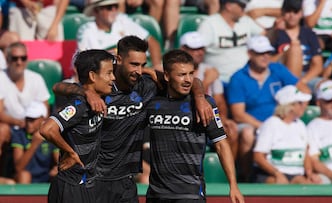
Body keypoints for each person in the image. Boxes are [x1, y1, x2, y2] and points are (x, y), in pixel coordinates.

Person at [52, 35, 213, 202]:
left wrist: (200, 97)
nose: (139, 70)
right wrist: (86, 92)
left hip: (126, 181)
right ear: (119, 59)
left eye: (143, 65)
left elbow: (184, 78)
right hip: (94, 179)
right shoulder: (102, 85)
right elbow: (58, 87)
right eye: (134, 64)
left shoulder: (146, 86)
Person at [145, 49, 244, 203]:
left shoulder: (204, 104)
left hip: (190, 194)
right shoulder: (152, 100)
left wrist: (233, 185)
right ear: (166, 76)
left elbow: (221, 144)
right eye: (181, 75)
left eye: (191, 73)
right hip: (157, 194)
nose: (188, 80)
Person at [227, 35, 309, 181]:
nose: (265, 56)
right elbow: (238, 114)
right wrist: (265, 127)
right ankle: (247, 177)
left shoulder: (277, 69)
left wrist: (295, 112)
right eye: (260, 53)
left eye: (268, 53)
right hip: (253, 123)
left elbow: (303, 90)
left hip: (280, 119)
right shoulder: (238, 78)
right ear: (250, 53)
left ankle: (300, 173)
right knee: (247, 133)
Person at [40, 49, 116, 202]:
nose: (113, 78)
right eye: (108, 73)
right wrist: (70, 153)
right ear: (93, 76)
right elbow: (47, 129)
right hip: (70, 187)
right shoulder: (79, 105)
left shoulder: (103, 95)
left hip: (85, 183)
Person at [180, 31, 240, 160]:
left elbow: (219, 100)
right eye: (194, 49)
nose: (199, 52)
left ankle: (229, 175)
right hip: (183, 121)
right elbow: (183, 98)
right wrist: (207, 81)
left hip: (208, 122)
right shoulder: (176, 70)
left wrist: (223, 118)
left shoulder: (209, 70)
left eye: (201, 48)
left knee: (232, 131)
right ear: (183, 49)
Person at [253, 85, 321, 184]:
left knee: (308, 185)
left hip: (296, 175)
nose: (304, 106)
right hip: (270, 174)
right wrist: (277, 174)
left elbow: (305, 154)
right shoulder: (271, 124)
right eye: (300, 103)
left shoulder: (300, 125)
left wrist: (309, 173)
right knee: (281, 185)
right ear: (290, 106)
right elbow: (258, 156)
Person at [0, 42, 49, 176]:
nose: (19, 62)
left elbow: (45, 109)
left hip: (32, 123)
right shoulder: (1, 78)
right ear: (7, 60)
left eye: (23, 58)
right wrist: (19, 123)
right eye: (14, 58)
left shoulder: (36, 78)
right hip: (11, 126)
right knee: (1, 130)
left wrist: (33, 124)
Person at [78, 0, 162, 70]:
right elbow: (87, 62)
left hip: (144, 68)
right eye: (109, 7)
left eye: (116, 6)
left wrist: (156, 66)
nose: (114, 10)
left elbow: (152, 42)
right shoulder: (87, 31)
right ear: (96, 11)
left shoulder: (122, 20)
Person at [197, 0, 264, 86]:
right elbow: (197, 50)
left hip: (247, 78)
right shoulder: (209, 24)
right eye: (241, 6)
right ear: (229, 6)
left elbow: (264, 35)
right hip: (220, 80)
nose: (244, 9)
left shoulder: (245, 21)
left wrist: (276, 27)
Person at [272, 0, 323, 93]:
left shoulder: (309, 34)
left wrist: (303, 81)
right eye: (288, 11)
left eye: (295, 12)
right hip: (282, 75)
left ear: (301, 14)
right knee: (295, 48)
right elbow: (268, 62)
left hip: (306, 76)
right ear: (282, 12)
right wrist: (286, 53)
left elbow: (318, 65)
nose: (292, 15)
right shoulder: (275, 34)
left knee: (328, 86)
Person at [11, 101, 59, 183]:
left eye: (33, 120)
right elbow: (18, 168)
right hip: (24, 178)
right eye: (27, 119)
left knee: (59, 173)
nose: (29, 124)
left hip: (46, 176)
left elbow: (59, 160)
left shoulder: (50, 135)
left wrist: (57, 168)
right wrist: (35, 143)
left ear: (43, 119)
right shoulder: (19, 135)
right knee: (24, 175)